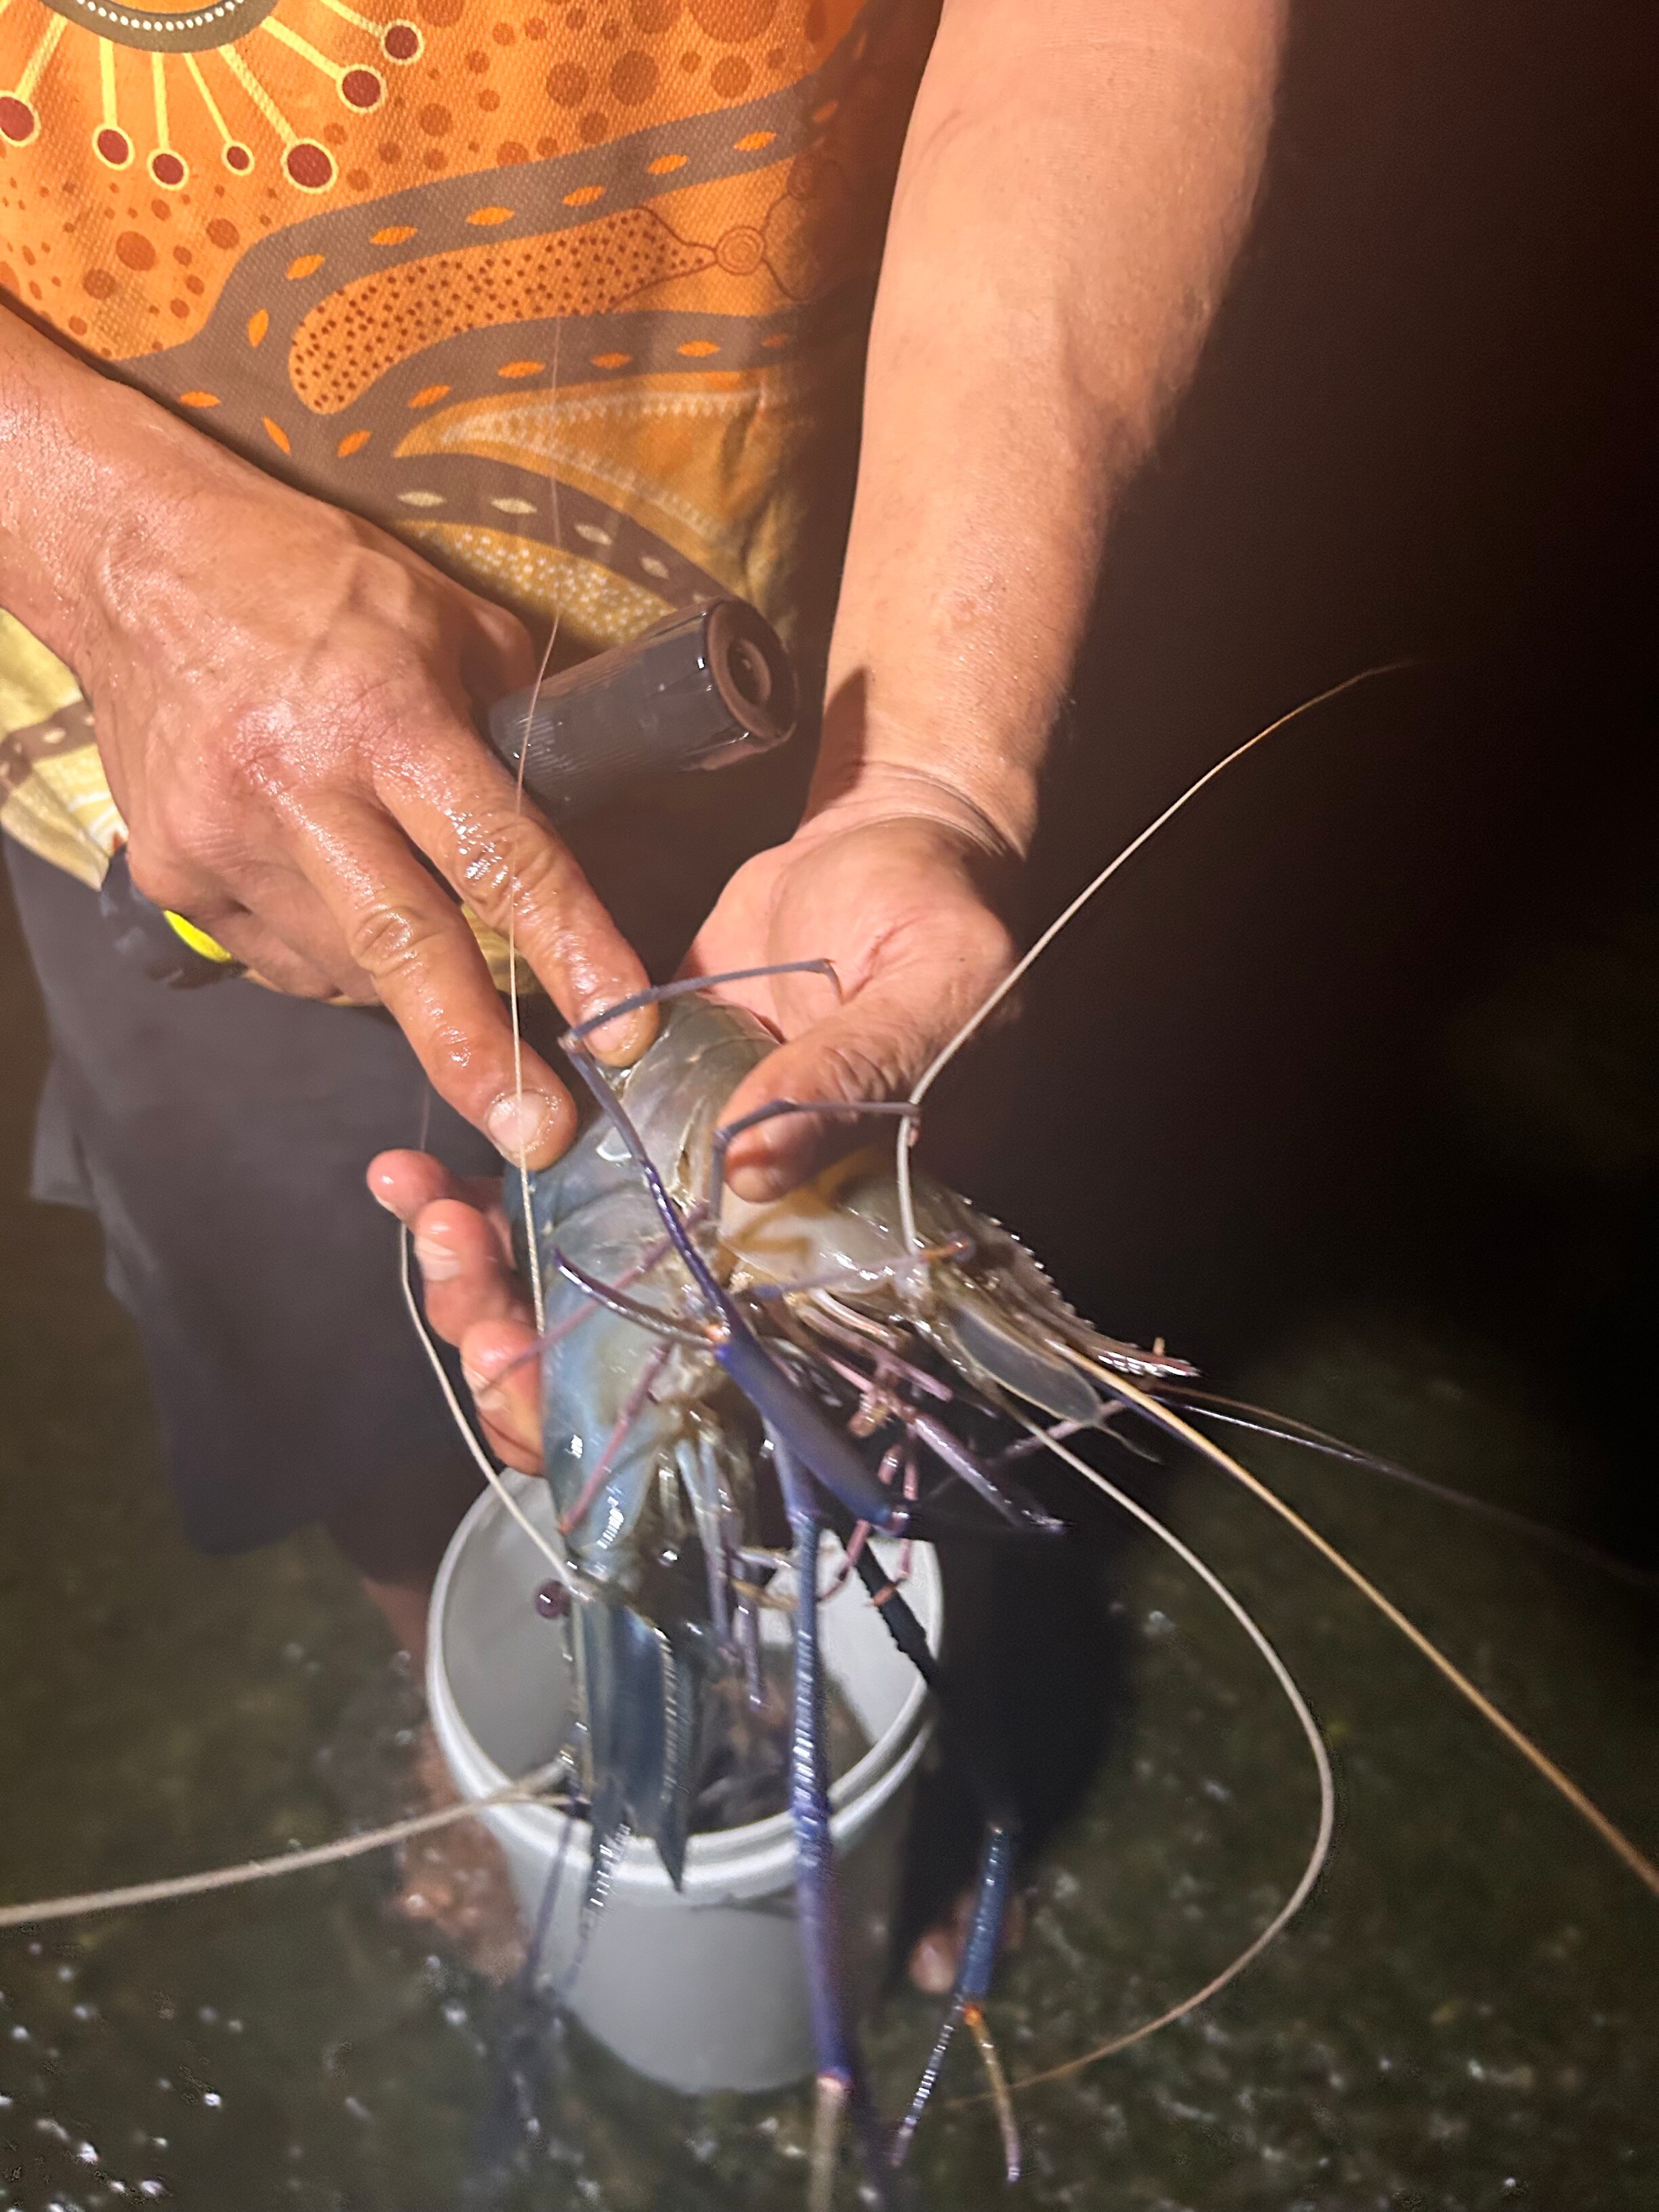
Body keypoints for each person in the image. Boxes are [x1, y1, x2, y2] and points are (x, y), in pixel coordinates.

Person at [0, 0, 1284, 1985]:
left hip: (768, 657)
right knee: (324, 1331)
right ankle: (452, 1673)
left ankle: (832, 1732)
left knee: (865, 1389)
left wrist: (929, 771)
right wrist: (91, 530)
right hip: (143, 797)